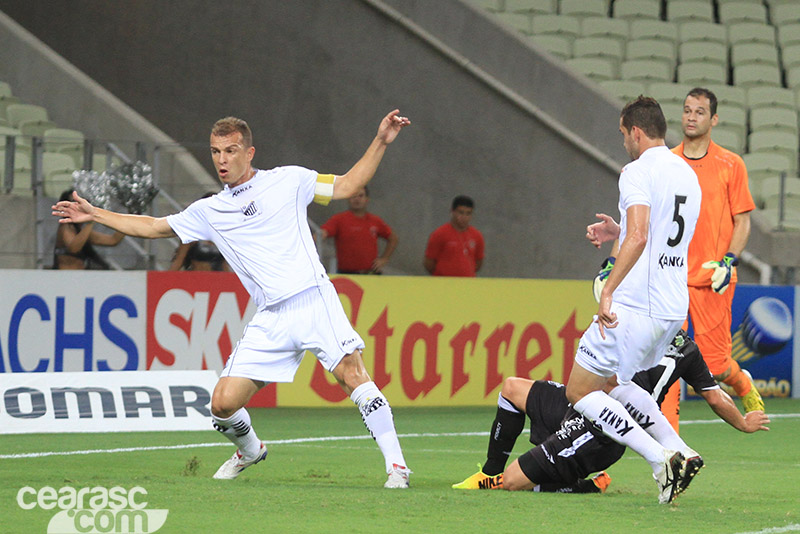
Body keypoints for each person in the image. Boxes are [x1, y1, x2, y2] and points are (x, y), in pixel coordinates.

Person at [53, 110, 413, 488]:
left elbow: (348, 184)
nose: (222, 160)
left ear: (249, 152)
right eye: (215, 152)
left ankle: (397, 467)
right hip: (271, 316)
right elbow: (154, 227)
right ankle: (251, 450)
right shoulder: (209, 210)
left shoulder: (289, 180)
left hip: (312, 298)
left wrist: (380, 141)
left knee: (352, 375)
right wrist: (96, 214)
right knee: (222, 405)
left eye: (230, 150)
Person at [570, 96, 702, 504]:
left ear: (637, 132)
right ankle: (681, 450)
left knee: (579, 390)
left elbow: (642, 235)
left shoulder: (636, 171)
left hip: (636, 304)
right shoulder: (687, 173)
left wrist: (608, 290)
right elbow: (662, 233)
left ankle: (660, 459)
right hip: (672, 306)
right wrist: (619, 229)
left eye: (624, 133)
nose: (624, 141)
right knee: (615, 382)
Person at [452, 331, 770, 493]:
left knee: (512, 481)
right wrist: (743, 423)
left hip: (601, 431)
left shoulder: (639, 327)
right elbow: (715, 398)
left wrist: (743, 424)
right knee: (512, 388)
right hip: (580, 401)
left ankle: (580, 486)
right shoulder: (684, 345)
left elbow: (614, 382)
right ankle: (488, 472)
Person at [660, 87, 762, 430]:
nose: (691, 117)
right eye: (687, 110)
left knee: (715, 366)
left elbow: (742, 220)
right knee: (667, 362)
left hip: (713, 281)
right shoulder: (667, 162)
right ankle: (671, 446)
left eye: (699, 112)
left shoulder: (730, 164)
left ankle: (741, 382)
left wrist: (729, 260)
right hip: (672, 279)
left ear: (714, 119)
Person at [320, 185, 398, 274]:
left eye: (361, 196)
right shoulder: (338, 219)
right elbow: (320, 234)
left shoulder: (375, 221)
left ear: (367, 199)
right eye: (353, 196)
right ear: (348, 199)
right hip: (346, 274)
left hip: (370, 274)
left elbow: (393, 238)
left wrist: (384, 259)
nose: (357, 199)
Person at [53, 189, 124, 270]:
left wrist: (127, 221)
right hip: (67, 274)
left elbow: (113, 240)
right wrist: (91, 221)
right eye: (73, 203)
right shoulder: (66, 227)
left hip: (80, 274)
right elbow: (74, 248)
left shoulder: (82, 231)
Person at [424, 195, 484, 276]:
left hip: (468, 282)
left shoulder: (477, 235)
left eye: (468, 213)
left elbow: (478, 262)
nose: (464, 217)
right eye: (461, 212)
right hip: (444, 281)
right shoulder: (439, 233)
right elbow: (429, 263)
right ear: (452, 212)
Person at [168, 192, 230, 272]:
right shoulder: (192, 232)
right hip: (196, 277)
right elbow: (179, 260)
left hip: (218, 278)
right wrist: (165, 278)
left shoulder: (224, 234)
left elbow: (224, 264)